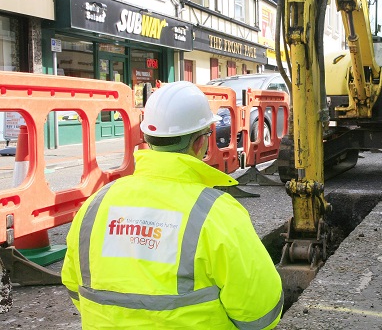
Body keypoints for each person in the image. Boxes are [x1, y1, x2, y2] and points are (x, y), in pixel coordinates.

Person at [61, 81, 283, 329]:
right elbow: (261, 313)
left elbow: (74, 284)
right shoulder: (217, 213)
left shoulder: (96, 204)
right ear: (200, 143)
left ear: (147, 138)